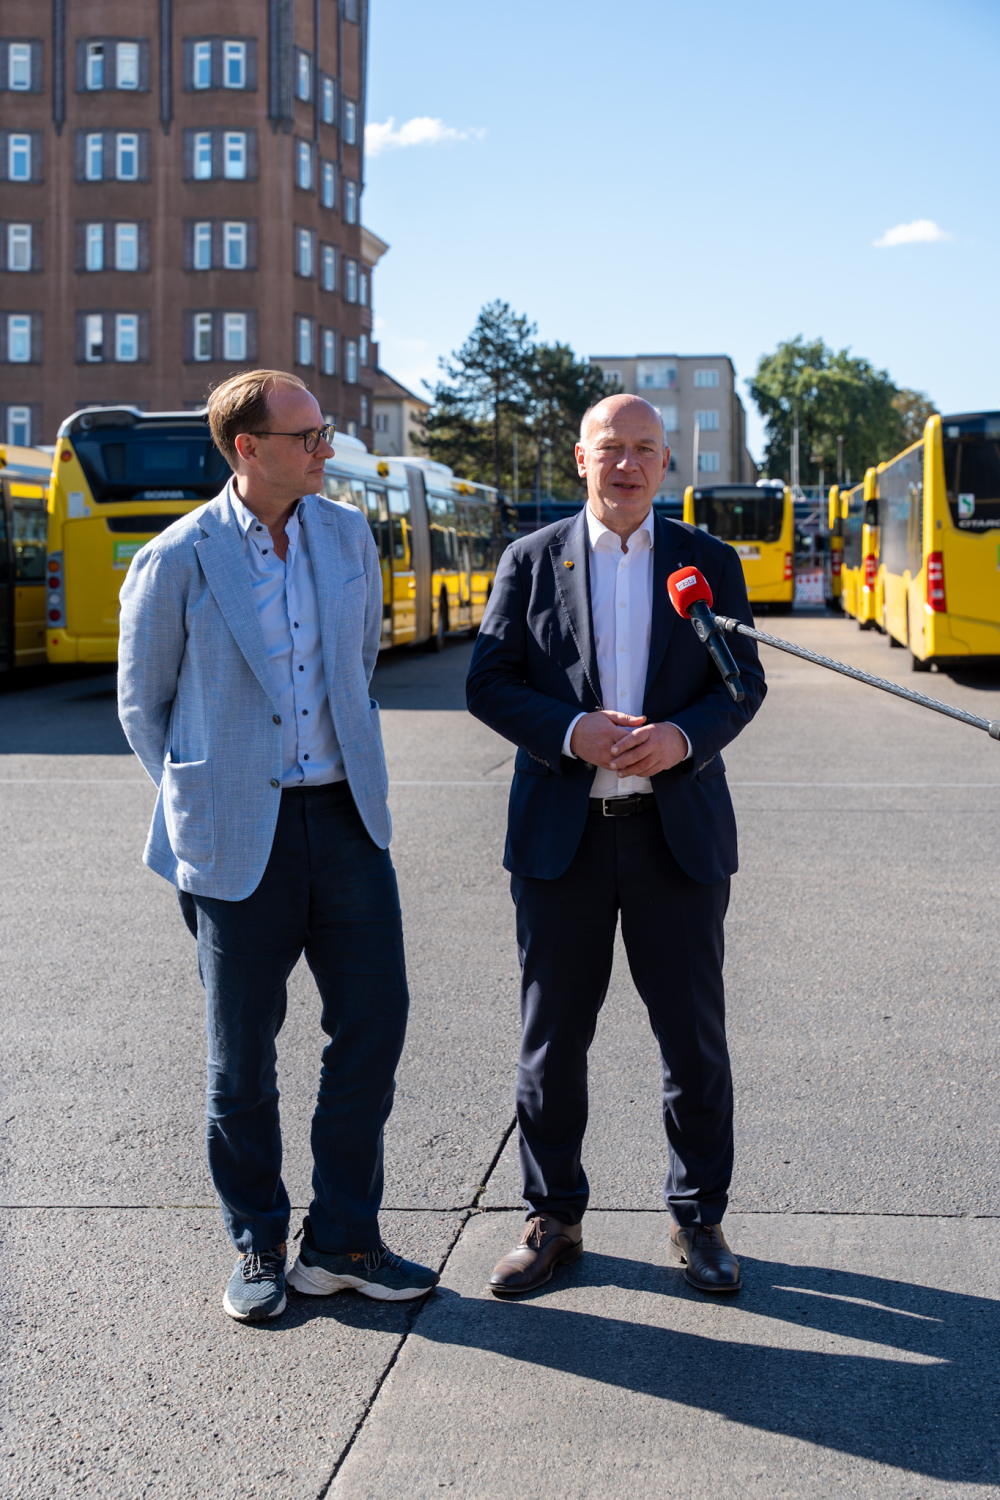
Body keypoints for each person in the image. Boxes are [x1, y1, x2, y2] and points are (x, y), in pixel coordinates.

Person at [118, 370, 438, 1321]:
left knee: (374, 1025)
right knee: (240, 1058)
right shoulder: (177, 558)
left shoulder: (345, 536)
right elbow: (146, 708)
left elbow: (359, 661)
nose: (324, 448)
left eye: (323, 431)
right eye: (307, 435)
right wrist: (205, 797)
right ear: (247, 449)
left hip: (347, 820)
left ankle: (341, 1240)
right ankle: (258, 1242)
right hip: (234, 836)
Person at [466, 394, 766, 1297]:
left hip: (675, 838)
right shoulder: (530, 560)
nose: (627, 464)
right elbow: (489, 682)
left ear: (666, 464)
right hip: (564, 840)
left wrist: (683, 739)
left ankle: (698, 1217)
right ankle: (553, 1217)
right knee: (552, 1040)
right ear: (581, 458)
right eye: (611, 448)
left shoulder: (706, 563)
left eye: (645, 449)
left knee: (692, 1041)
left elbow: (740, 680)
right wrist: (569, 730)